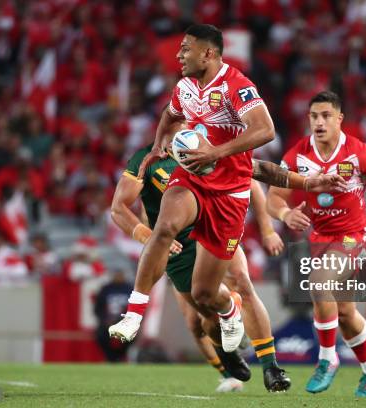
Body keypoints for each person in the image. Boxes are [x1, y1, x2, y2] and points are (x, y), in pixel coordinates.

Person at [109, 140, 344, 391]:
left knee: (242, 283)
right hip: (175, 245)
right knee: (201, 315)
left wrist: (266, 229)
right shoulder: (146, 159)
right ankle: (227, 355)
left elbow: (253, 178)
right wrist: (149, 236)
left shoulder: (210, 147)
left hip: (214, 228)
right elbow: (118, 208)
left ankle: (270, 367)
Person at [266, 91, 366, 397]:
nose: (319, 122)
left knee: (319, 283)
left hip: (356, 235)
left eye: (326, 116)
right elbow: (273, 197)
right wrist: (285, 213)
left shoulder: (359, 153)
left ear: (339, 119)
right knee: (345, 313)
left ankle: (327, 360)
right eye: (314, 116)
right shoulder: (297, 156)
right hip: (321, 239)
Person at [94, 269, 133, 362]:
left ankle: (120, 356)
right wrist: (105, 320)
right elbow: (98, 308)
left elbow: (135, 308)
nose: (118, 276)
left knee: (132, 335)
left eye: (120, 274)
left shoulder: (129, 289)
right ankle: (110, 357)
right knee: (100, 335)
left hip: (125, 321)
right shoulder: (106, 289)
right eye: (116, 274)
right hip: (107, 322)